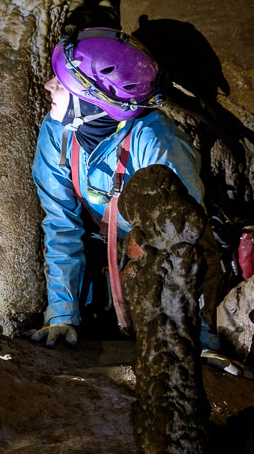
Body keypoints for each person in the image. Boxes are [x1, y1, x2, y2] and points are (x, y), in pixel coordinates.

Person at [29, 27, 213, 349]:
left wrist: (197, 342)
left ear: (91, 103)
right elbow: (60, 226)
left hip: (154, 252)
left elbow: (187, 246)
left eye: (62, 84)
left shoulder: (155, 141)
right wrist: (62, 315)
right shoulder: (57, 134)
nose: (48, 87)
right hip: (110, 248)